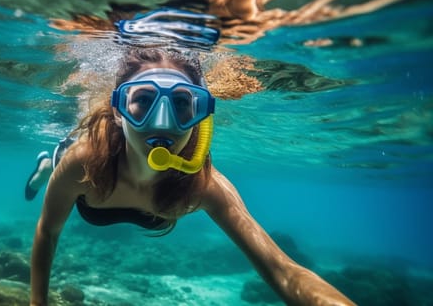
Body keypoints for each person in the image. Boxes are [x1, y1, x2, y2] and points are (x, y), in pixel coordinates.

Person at [26, 47, 354, 305]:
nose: (163, 121)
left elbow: (283, 271)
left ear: (201, 113)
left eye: (182, 103)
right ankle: (45, 166)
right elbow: (47, 231)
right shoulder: (84, 161)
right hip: (86, 171)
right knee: (56, 162)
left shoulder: (205, 187)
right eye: (143, 99)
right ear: (118, 108)